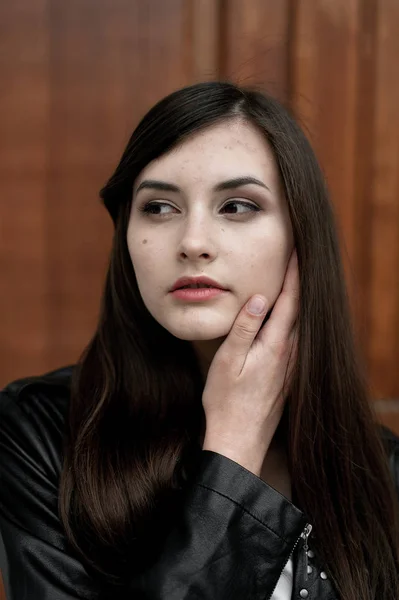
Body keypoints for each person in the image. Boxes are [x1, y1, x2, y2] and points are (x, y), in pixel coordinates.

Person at [0, 81, 398, 600]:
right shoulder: (38, 435)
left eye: (236, 206)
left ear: (300, 238)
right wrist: (233, 449)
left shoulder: (381, 472)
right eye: (159, 208)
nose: (192, 243)